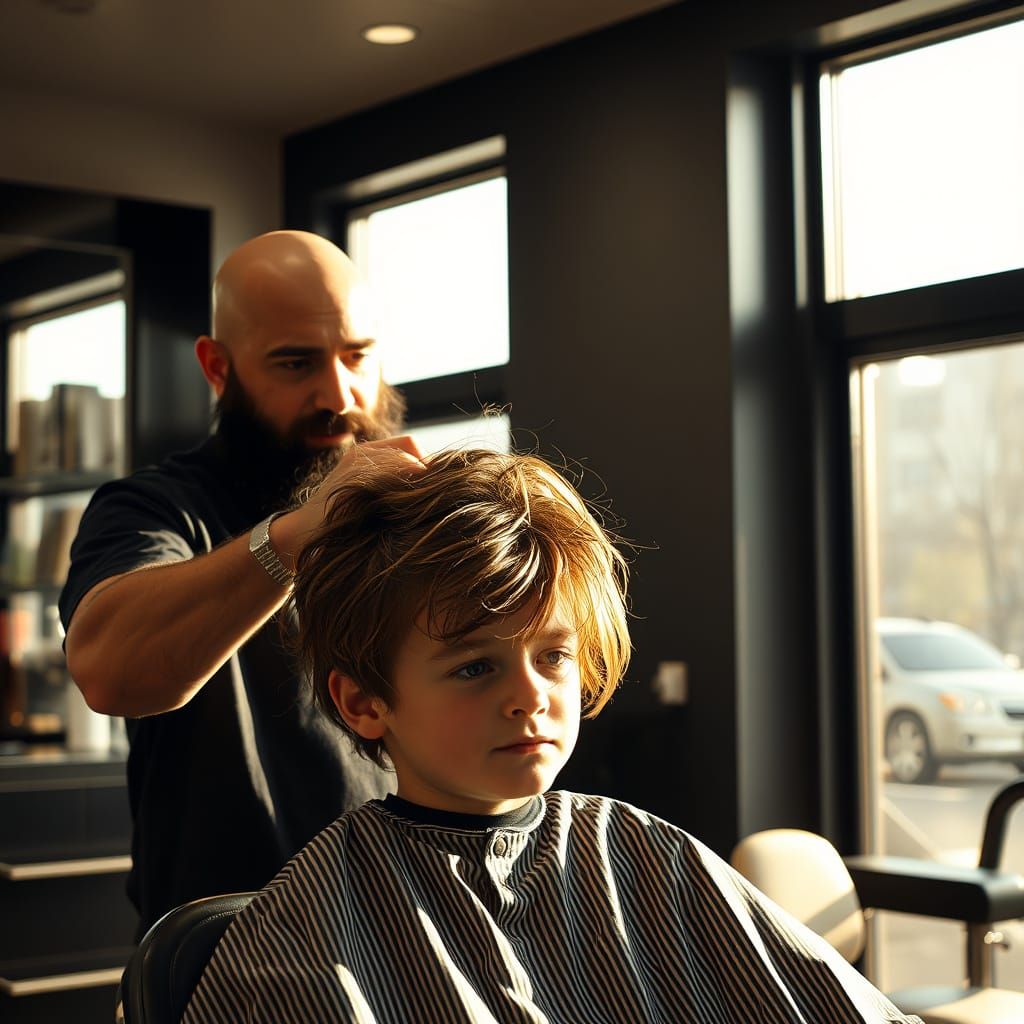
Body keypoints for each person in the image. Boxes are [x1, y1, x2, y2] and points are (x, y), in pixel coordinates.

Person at [184, 449, 921, 1024]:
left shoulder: (645, 855)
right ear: (364, 703)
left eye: (553, 656)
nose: (530, 695)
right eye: (476, 667)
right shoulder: (312, 928)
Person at [58, 230, 425, 936]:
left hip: (396, 934)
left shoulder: (401, 517)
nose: (339, 395)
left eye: (358, 357)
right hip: (221, 957)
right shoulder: (154, 509)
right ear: (217, 367)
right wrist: (294, 534)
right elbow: (109, 672)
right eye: (296, 363)